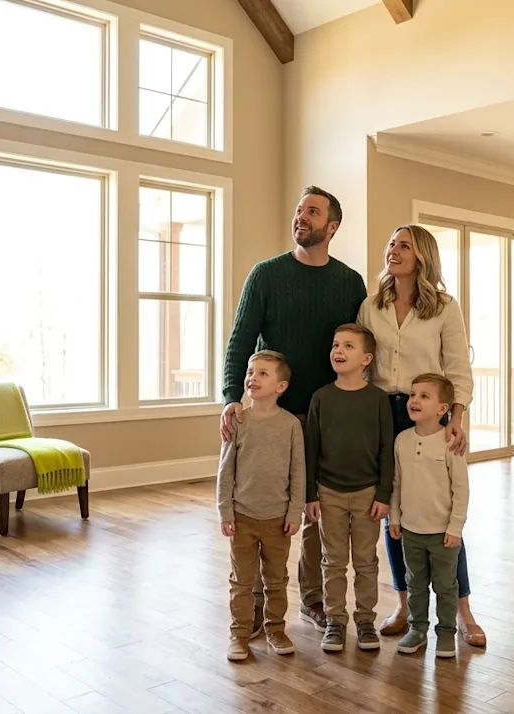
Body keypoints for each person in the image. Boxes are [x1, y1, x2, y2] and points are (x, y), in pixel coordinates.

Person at [220, 186, 368, 636]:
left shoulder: (350, 282)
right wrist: (231, 396)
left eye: (313, 212)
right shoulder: (265, 275)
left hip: (325, 417)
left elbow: (357, 347)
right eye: (300, 210)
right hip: (270, 414)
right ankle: (257, 608)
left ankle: (313, 600)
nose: (302, 217)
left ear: (332, 226)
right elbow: (240, 339)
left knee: (311, 510)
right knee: (261, 507)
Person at [356, 224, 487, 647]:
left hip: (429, 413)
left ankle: (462, 609)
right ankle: (404, 604)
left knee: (439, 511)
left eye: (404, 245)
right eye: (391, 243)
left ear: (423, 257)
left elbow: (458, 370)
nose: (393, 250)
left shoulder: (445, 308)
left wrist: (457, 418)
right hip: (380, 414)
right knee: (396, 513)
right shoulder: (370, 306)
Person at [304, 323, 394, 652]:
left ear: (367, 358)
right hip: (328, 493)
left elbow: (387, 450)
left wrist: (384, 494)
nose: (338, 351)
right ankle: (335, 621)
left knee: (366, 561)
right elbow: (311, 450)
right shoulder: (321, 398)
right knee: (333, 560)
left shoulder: (378, 400)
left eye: (348, 346)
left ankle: (366, 619)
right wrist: (310, 494)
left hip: (368, 494)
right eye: (335, 345)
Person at [216, 351, 305, 661]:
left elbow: (298, 472)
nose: (252, 378)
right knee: (241, 581)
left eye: (263, 373)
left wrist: (295, 512)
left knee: (277, 580)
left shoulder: (291, 425)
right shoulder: (238, 421)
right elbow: (225, 471)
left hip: (278, 520)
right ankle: (239, 634)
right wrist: (225, 511)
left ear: (281, 386)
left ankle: (276, 629)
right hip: (242, 518)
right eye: (251, 372)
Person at [389, 373, 470, 658]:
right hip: (411, 531)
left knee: (446, 586)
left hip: (443, 534)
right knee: (416, 583)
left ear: (442, 409)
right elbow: (397, 483)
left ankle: (446, 632)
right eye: (413, 394)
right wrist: (395, 518)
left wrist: (455, 527)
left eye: (424, 396)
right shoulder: (401, 440)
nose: (414, 400)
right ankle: (417, 629)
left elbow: (461, 490)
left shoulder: (451, 443)